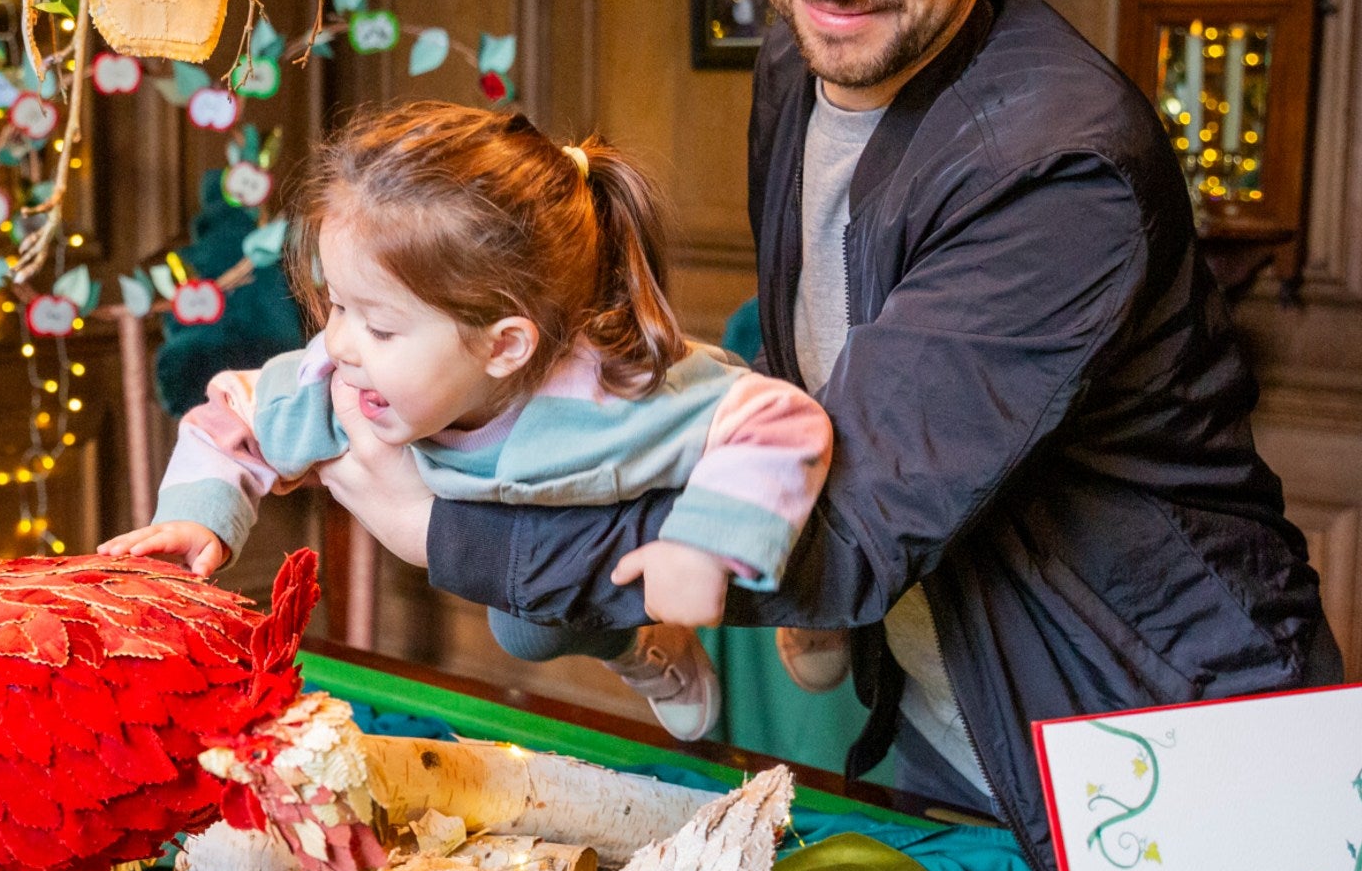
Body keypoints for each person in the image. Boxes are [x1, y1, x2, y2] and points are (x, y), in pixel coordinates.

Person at [310, 0, 1342, 871]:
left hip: (1161, 756)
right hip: (941, 722)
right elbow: (818, 381)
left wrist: (456, 532)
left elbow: (843, 530)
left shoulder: (1061, 170)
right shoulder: (803, 59)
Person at [103, 102, 833, 742]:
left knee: (785, 535)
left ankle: (814, 611)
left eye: (380, 327)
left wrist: (707, 546)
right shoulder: (342, 379)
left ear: (504, 345)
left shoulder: (614, 398)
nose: (339, 346)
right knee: (520, 626)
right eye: (338, 308)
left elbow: (782, 421)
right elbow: (235, 410)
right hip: (573, 551)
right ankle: (647, 644)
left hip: (708, 488)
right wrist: (202, 516)